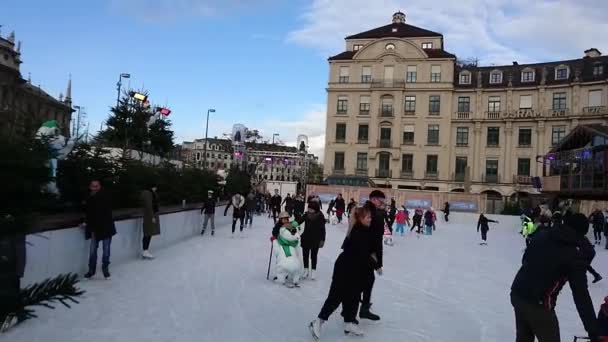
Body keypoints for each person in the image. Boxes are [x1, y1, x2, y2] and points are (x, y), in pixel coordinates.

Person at [510, 213, 599, 342]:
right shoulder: (575, 255)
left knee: (523, 338)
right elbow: (581, 295)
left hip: (518, 293)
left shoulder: (543, 234)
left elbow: (525, 259)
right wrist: (592, 330)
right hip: (540, 305)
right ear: (582, 233)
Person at [309, 206, 379, 339]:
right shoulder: (359, 232)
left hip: (356, 270)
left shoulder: (363, 229)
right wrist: (375, 263)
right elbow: (363, 255)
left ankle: (349, 323)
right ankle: (318, 322)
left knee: (353, 297)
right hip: (345, 269)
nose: (371, 219)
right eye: (368, 217)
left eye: (371, 217)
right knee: (336, 297)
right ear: (361, 218)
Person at [358, 190, 386, 321]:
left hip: (355, 251)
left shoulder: (362, 210)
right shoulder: (376, 215)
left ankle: (351, 308)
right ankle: (362, 309)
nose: (383, 203)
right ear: (374, 199)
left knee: (359, 281)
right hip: (367, 255)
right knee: (367, 281)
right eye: (381, 200)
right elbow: (377, 242)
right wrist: (378, 263)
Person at [83, 180, 116, 279]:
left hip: (106, 227)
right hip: (94, 228)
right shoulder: (89, 198)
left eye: (96, 186)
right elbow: (88, 212)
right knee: (92, 250)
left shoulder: (105, 196)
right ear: (90, 187)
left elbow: (103, 211)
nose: (95, 188)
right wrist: (85, 222)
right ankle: (91, 270)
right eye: (93, 186)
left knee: (106, 250)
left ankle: (105, 268)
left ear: (100, 186)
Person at [297, 201, 326, 280]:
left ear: (315, 209)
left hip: (316, 239)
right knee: (305, 255)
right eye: (308, 208)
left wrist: (322, 239)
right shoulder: (306, 215)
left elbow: (323, 229)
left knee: (313, 256)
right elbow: (299, 221)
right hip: (306, 237)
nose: (309, 210)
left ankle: (313, 271)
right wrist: (290, 225)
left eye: (311, 209)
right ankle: (306, 270)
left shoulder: (320, 216)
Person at [273, 220, 303, 288]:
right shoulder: (294, 244)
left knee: (281, 269)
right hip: (296, 264)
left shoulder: (280, 245)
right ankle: (296, 279)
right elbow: (297, 253)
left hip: (284, 264)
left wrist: (274, 241)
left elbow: (276, 252)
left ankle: (281, 279)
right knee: (296, 268)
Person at [141, 183, 161, 259]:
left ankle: (145, 250)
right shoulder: (148, 193)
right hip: (149, 216)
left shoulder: (151, 193)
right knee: (148, 233)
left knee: (149, 233)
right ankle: (145, 251)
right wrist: (152, 216)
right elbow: (149, 205)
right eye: (155, 187)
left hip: (150, 215)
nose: (156, 189)